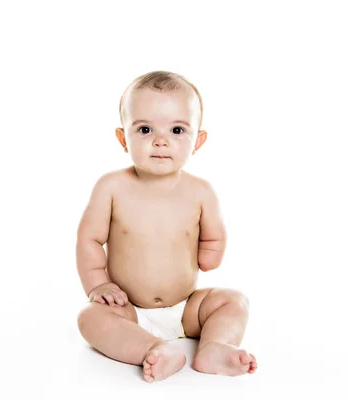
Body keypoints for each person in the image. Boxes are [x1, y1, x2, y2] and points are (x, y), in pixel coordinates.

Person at [76, 71, 257, 382]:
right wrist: (99, 286)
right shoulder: (112, 187)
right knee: (90, 318)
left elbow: (214, 239)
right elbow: (89, 239)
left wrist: (210, 252)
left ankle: (215, 346)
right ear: (123, 139)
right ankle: (153, 348)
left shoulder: (201, 192)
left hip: (187, 307)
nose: (161, 140)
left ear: (197, 141)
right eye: (145, 129)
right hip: (128, 309)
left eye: (177, 130)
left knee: (233, 301)